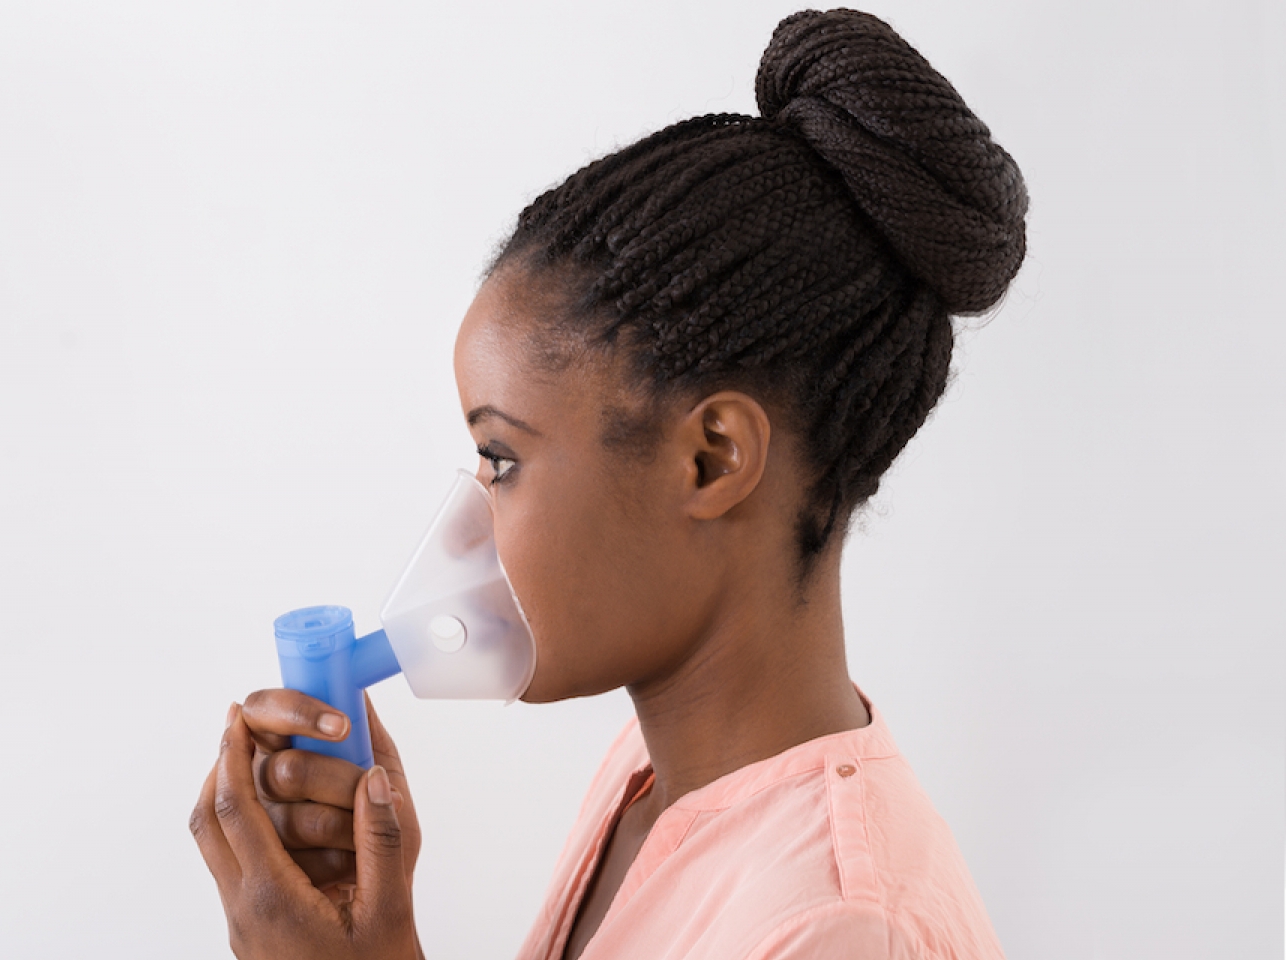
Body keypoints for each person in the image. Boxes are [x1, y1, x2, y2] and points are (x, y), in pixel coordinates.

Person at [189, 9, 1028, 959]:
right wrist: (369, 927)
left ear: (711, 458)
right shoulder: (656, 782)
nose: (468, 529)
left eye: (501, 461)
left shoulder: (836, 929)